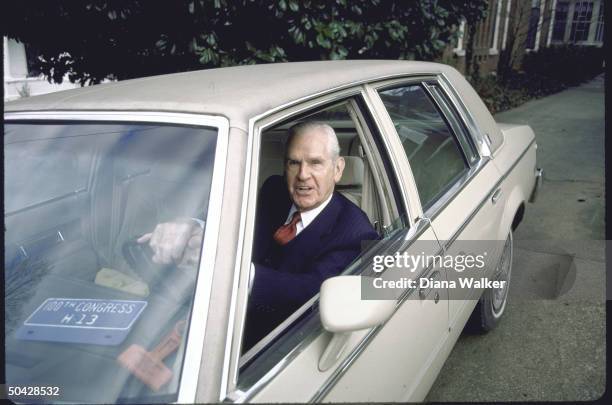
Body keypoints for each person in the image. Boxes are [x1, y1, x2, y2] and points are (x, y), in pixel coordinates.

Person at [138, 121, 378, 350]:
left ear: (337, 169)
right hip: (214, 320)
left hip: (276, 348)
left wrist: (235, 270)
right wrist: (194, 228)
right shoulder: (274, 190)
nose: (303, 175)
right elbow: (232, 216)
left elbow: (311, 293)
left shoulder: (354, 231)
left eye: (315, 163)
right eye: (294, 163)